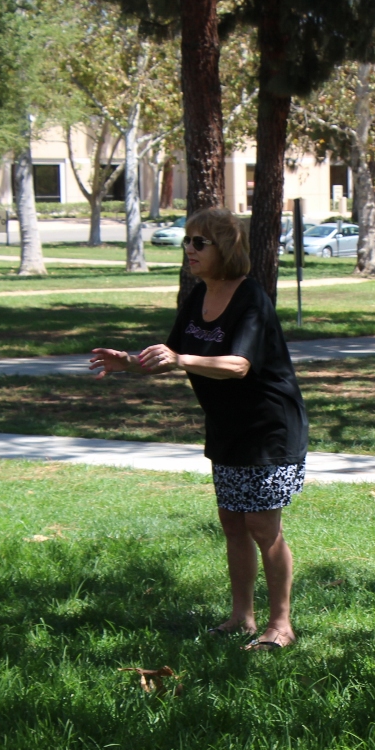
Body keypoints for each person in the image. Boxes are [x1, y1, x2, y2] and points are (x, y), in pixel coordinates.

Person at [89, 208, 308, 650]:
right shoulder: (197, 296)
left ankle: (281, 625)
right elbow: (170, 353)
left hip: (268, 428)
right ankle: (241, 617)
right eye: (187, 241)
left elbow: (239, 364)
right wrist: (129, 363)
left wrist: (183, 360)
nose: (188, 249)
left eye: (198, 242)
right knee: (232, 523)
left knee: (263, 527)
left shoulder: (250, 297)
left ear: (223, 248)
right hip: (227, 427)